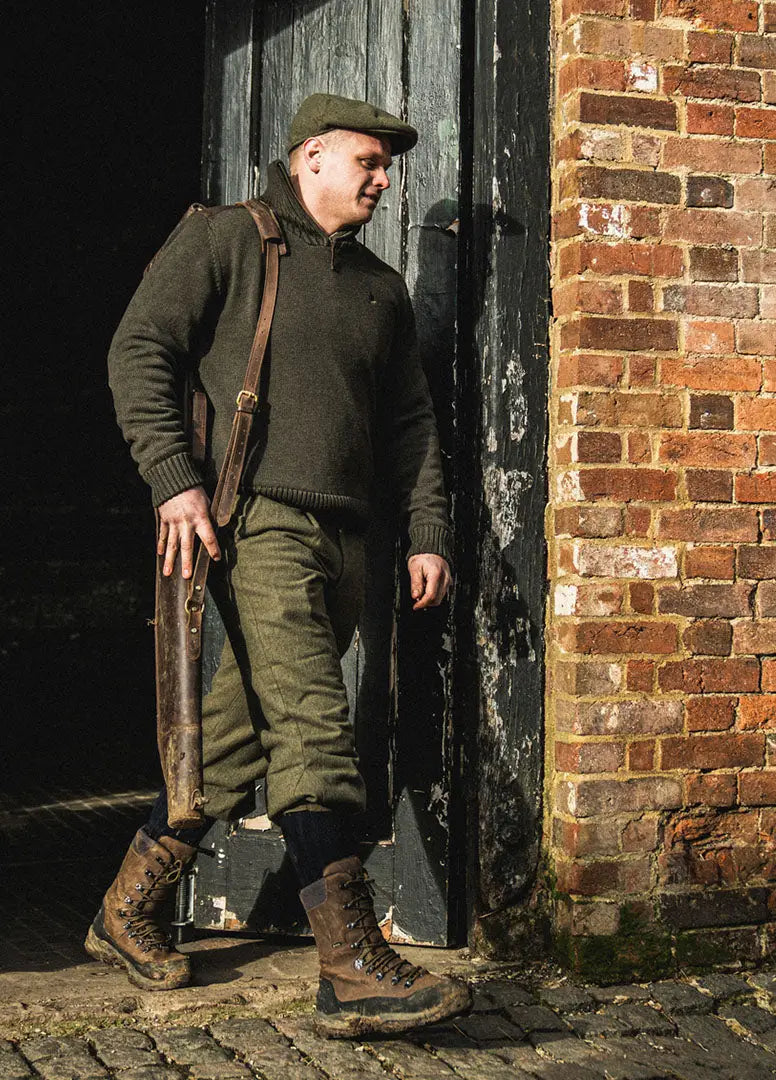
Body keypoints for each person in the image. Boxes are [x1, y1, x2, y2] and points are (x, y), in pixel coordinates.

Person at [92, 93, 471, 1037]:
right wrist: (173, 480)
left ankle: (124, 905)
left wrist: (427, 529)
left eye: (387, 167)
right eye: (366, 163)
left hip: (356, 538)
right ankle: (351, 965)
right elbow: (139, 347)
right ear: (310, 159)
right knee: (311, 722)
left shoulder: (380, 288)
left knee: (239, 734)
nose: (383, 180)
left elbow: (413, 425)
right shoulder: (229, 239)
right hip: (257, 525)